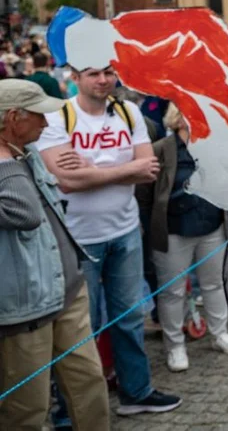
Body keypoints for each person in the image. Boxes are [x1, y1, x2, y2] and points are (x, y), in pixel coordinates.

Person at [37, 67, 180, 415]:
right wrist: (122, 170)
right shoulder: (58, 116)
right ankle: (70, 411)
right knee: (81, 327)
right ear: (75, 76)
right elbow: (66, 181)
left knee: (129, 317)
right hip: (77, 238)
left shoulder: (127, 111)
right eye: (92, 73)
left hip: (125, 230)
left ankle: (136, 391)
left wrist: (90, 169)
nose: (102, 80)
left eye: (108, 72)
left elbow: (148, 167)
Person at [0, 80, 110, 430]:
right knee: (28, 409)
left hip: (67, 289)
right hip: (25, 307)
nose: (47, 124)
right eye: (39, 116)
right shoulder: (10, 165)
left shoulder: (25, 154)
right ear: (13, 118)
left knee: (90, 384)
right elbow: (26, 214)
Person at [139, 102, 228, 372]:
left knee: (214, 284)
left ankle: (220, 333)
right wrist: (150, 230)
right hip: (173, 230)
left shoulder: (212, 147)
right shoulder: (162, 148)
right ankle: (174, 345)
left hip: (211, 225)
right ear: (180, 118)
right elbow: (145, 195)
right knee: (172, 292)